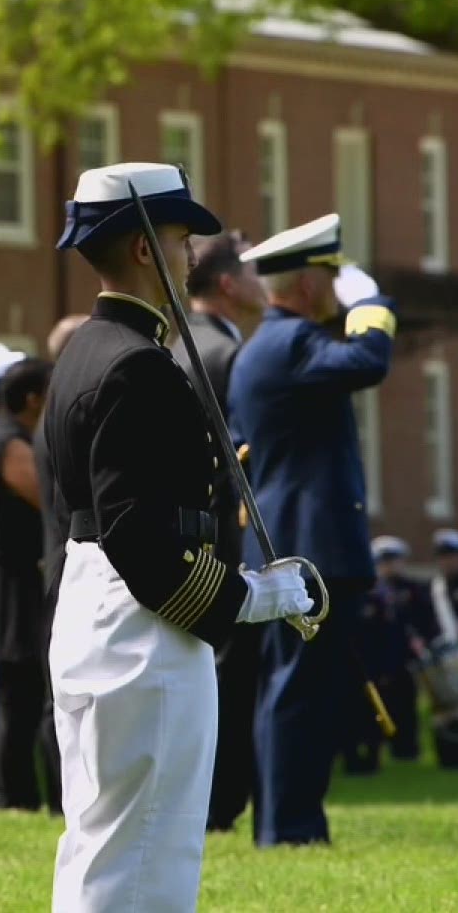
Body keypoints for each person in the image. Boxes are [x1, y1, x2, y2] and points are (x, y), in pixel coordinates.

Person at [42, 162, 312, 911]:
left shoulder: (88, 353)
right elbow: (142, 541)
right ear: (141, 250)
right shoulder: (137, 369)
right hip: (142, 634)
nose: (193, 251)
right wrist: (251, 598)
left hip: (102, 615)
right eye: (180, 236)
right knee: (149, 852)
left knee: (105, 847)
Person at [227, 212, 396, 849]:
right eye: (329, 276)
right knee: (299, 692)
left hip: (294, 544)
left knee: (291, 688)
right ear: (306, 287)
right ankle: (291, 828)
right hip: (310, 547)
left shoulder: (269, 344)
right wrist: (373, 303)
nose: (336, 288)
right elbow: (369, 361)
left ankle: (285, 822)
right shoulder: (292, 343)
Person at [166, 230, 267, 828]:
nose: (263, 283)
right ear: (228, 284)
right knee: (231, 677)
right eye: (253, 272)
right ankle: (221, 804)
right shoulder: (229, 355)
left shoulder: (175, 345)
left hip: (178, 542)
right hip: (225, 539)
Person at [0, 353, 58, 813]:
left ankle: (15, 794)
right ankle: (16, 795)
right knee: (23, 698)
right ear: (33, 399)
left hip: (7, 583)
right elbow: (49, 499)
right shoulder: (12, 445)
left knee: (16, 697)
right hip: (16, 586)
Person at [419, 530, 458, 770]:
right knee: (442, 706)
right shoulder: (431, 588)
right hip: (438, 655)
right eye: (444, 557)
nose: (448, 562)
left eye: (452, 556)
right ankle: (444, 754)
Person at [368, 536, 425, 762]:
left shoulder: (413, 590)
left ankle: (407, 750)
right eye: (385, 560)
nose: (391, 565)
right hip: (378, 660)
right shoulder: (371, 592)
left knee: (406, 706)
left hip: (405, 659)